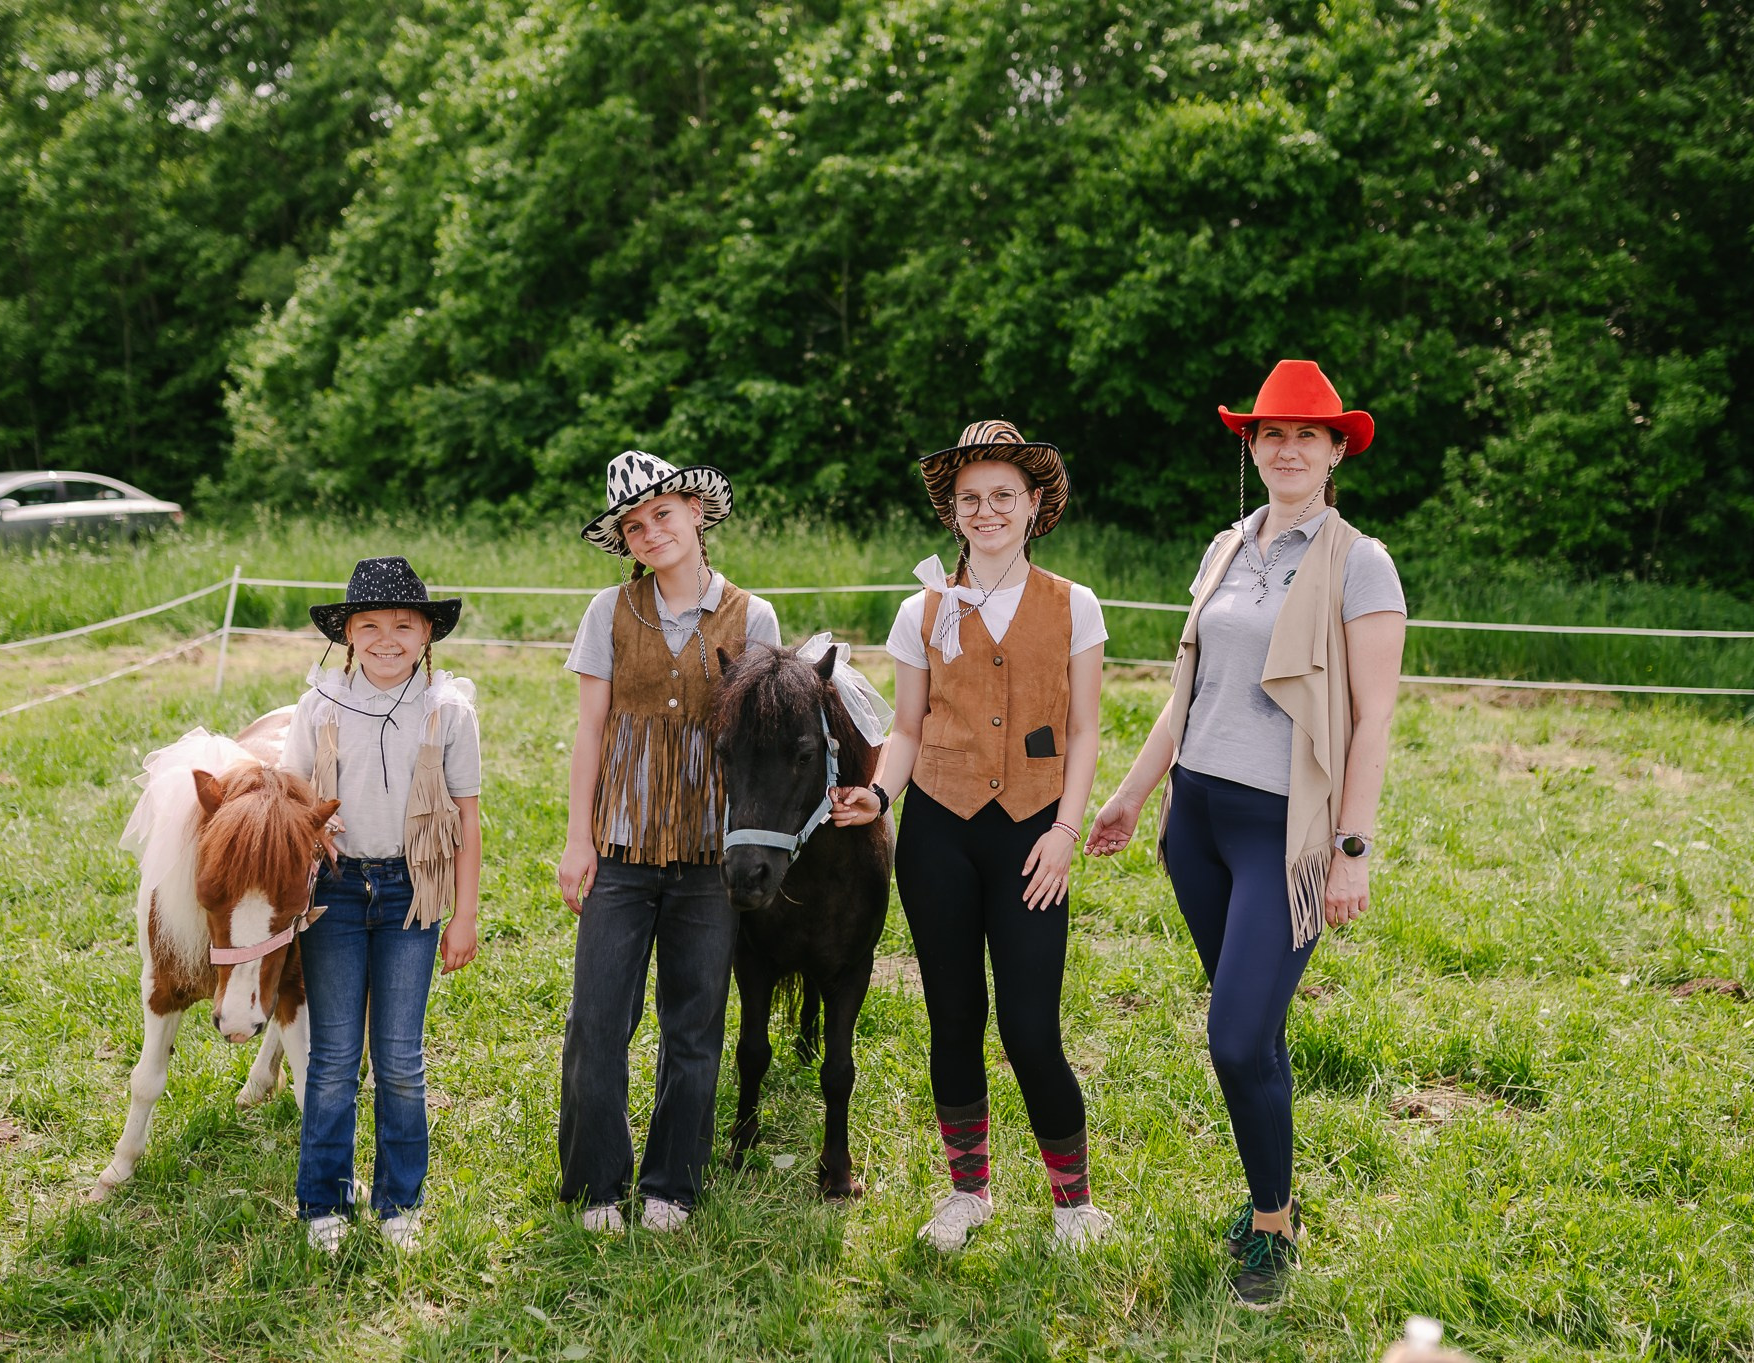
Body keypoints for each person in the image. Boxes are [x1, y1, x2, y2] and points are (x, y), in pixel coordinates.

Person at [1085, 360, 1407, 1305]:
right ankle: (1276, 1200)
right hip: (1198, 822)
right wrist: (1133, 794)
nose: (1288, 448)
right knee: (1254, 1026)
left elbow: (1375, 719)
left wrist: (1352, 850)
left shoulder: (1361, 562)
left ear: (1337, 450)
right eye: (1272, 433)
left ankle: (1272, 1225)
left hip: (1285, 831)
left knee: (1233, 1037)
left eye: (1308, 434)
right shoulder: (1227, 546)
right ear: (1252, 447)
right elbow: (1186, 691)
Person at [830, 420, 1112, 1251]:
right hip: (939, 834)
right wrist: (879, 794)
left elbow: (1085, 730)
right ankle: (967, 1192)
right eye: (970, 499)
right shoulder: (920, 609)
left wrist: (1066, 830)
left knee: (1030, 1029)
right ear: (952, 512)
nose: (986, 511)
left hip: (1033, 836)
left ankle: (1074, 1205)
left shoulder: (1075, 605)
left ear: (1034, 505)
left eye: (1002, 496)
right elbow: (908, 726)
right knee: (952, 1018)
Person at [556, 450, 781, 1232]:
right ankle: (595, 1183)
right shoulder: (608, 612)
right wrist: (578, 839)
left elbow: (762, 741)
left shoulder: (753, 617)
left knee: (694, 1024)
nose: (650, 532)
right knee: (597, 1022)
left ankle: (671, 1184)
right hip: (619, 847)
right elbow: (590, 731)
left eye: (661, 514)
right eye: (634, 526)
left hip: (710, 856)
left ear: (695, 510)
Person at [281, 556, 484, 1254]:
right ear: (347, 635)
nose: (387, 639)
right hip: (335, 892)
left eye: (403, 624)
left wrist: (465, 913)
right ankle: (323, 1202)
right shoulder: (320, 704)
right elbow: (289, 795)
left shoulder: (448, 711)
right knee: (335, 1056)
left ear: (428, 633)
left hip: (411, 891)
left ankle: (400, 1202)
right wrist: (312, 816)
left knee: (399, 1057)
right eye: (369, 626)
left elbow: (467, 818)